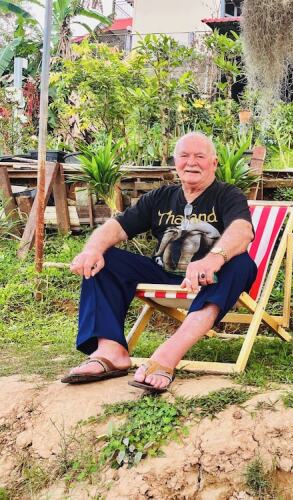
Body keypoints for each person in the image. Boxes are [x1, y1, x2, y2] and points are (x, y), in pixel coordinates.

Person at [61, 132, 256, 393]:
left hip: (210, 281)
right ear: (175, 162)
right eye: (184, 156)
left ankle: (167, 356)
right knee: (103, 258)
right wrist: (92, 250)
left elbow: (243, 231)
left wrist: (213, 259)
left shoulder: (227, 195)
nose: (191, 162)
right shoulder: (160, 197)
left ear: (214, 163)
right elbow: (117, 227)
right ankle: (110, 352)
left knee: (241, 263)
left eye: (199, 156)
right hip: (163, 272)